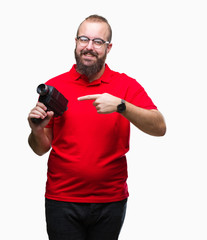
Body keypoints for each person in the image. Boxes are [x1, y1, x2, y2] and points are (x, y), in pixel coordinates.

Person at [27, 14, 166, 240]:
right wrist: (36, 129)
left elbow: (159, 127)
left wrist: (122, 106)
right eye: (84, 39)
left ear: (108, 47)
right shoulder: (54, 86)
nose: (89, 47)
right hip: (62, 200)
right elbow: (40, 148)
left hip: (110, 201)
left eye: (97, 42)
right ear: (76, 42)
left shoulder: (125, 85)